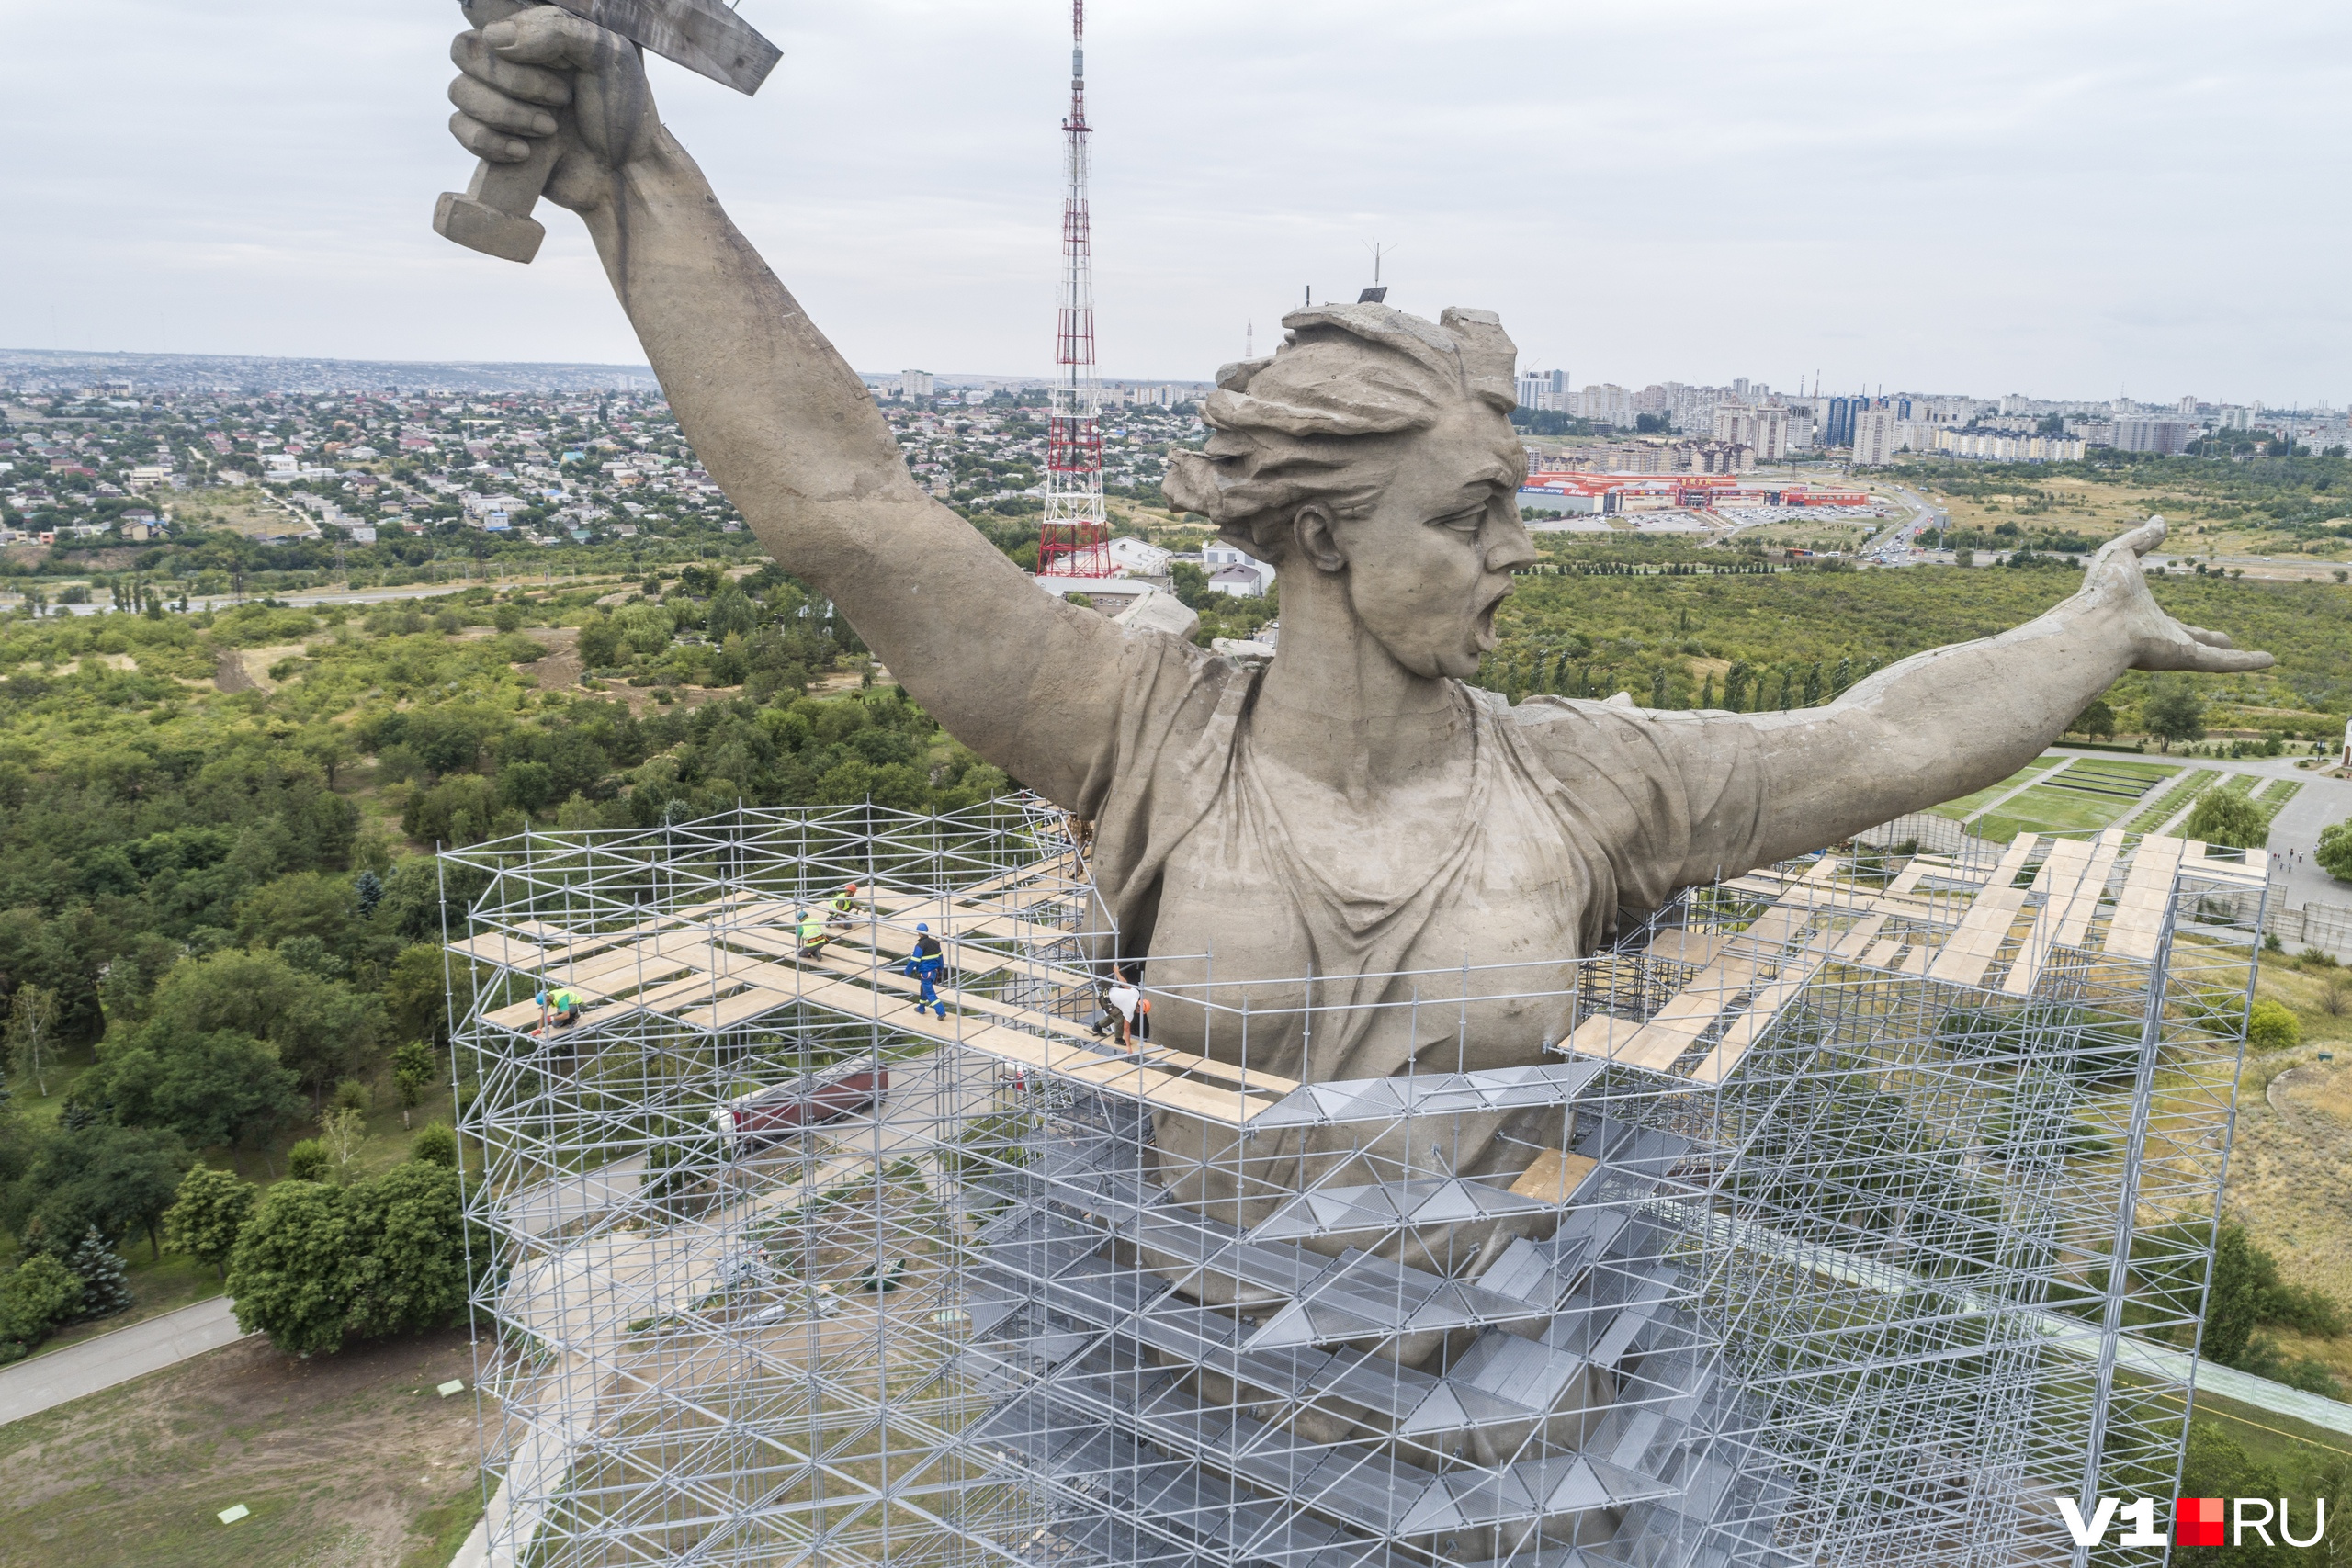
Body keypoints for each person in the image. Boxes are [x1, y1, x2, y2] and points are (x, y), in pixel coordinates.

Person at [439, 17, 2274, 1209]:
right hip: (1199, 1407)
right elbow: (848, 508)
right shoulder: (1138, 735)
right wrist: (637, 183)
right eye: (1470, 516)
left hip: (1509, 1421)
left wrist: (2079, 629)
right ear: (1316, 534)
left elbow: (1871, 736)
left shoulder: (1589, 783)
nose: (1515, 556)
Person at [901, 923, 946, 1020]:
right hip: (934, 972)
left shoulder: (920, 945)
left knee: (930, 993)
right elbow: (940, 958)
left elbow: (914, 960)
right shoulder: (935, 943)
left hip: (926, 973)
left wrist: (907, 971)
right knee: (924, 989)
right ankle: (921, 1008)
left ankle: (941, 1012)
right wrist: (941, 969)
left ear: (919, 933)